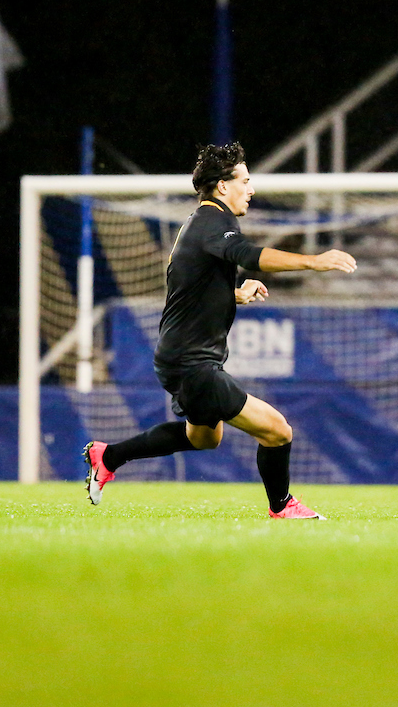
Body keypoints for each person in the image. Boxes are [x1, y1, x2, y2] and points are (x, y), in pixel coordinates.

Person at [83, 142, 357, 519]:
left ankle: (108, 455)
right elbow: (249, 256)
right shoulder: (213, 221)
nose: (252, 189)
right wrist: (313, 261)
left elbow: (189, 286)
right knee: (278, 431)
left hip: (181, 356)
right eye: (245, 180)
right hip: (191, 361)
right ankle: (282, 506)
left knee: (204, 438)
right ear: (223, 186)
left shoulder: (201, 223)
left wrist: (233, 295)